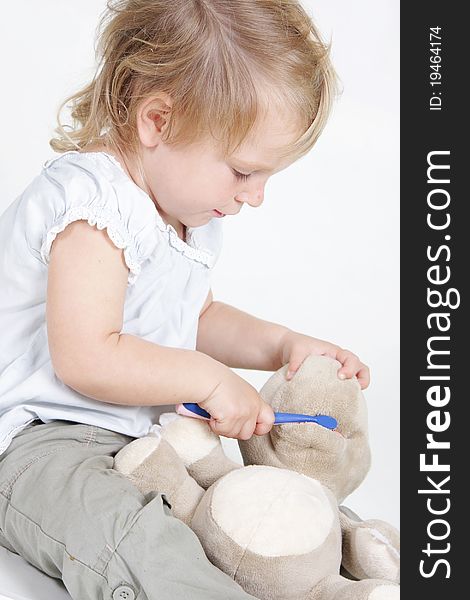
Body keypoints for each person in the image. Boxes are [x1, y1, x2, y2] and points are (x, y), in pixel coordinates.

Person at [0, 0, 370, 598]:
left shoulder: (187, 215)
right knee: (131, 537)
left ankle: (340, 574)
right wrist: (207, 380)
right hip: (40, 445)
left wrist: (282, 345)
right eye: (244, 171)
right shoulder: (93, 206)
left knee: (248, 509)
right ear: (158, 121)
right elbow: (88, 356)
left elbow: (194, 317)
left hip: (146, 439)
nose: (256, 197)